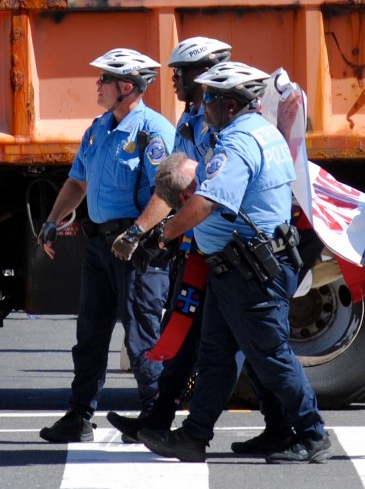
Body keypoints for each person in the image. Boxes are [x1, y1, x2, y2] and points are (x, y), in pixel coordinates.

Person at [135, 61, 332, 464]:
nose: (203, 105)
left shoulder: (237, 143)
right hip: (235, 269)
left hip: (250, 273)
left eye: (209, 98)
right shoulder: (261, 133)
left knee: (271, 356)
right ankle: (194, 436)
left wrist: (163, 233)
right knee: (216, 356)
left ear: (229, 104)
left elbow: (208, 202)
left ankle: (312, 434)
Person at [37, 48, 175, 443]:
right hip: (99, 247)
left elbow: (167, 192)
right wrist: (51, 221)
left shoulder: (153, 132)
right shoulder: (98, 128)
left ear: (126, 87)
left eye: (104, 79)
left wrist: (135, 235)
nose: (97, 85)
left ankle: (154, 419)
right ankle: (79, 417)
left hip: (136, 248)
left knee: (143, 336)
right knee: (91, 334)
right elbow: (77, 182)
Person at [107, 37, 233, 444]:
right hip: (195, 248)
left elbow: (208, 194)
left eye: (180, 73)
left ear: (203, 76)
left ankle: (293, 427)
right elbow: (172, 187)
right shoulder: (188, 122)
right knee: (179, 335)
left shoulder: (225, 125)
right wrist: (142, 234)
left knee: (236, 347)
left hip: (227, 249)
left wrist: (161, 233)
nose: (173, 81)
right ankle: (156, 420)